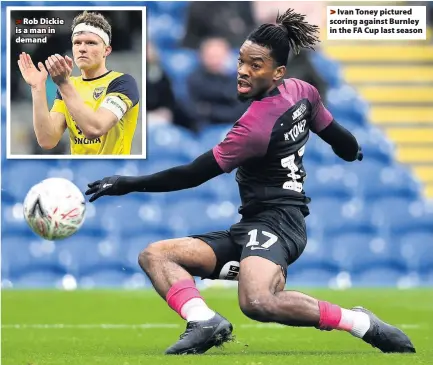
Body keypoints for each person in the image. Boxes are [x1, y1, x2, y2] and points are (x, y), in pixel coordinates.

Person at [85, 9, 416, 355]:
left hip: (280, 222)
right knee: (156, 256)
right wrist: (353, 150)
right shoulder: (302, 90)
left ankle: (360, 322)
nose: (242, 70)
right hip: (253, 225)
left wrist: (128, 183)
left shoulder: (255, 128)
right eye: (241, 60)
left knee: (257, 301)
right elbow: (336, 135)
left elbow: (194, 174)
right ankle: (203, 320)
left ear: (277, 72)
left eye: (255, 65)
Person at [17, 11, 140, 155]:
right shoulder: (70, 85)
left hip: (114, 171)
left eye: (90, 43)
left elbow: (95, 129)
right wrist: (37, 87)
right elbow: (47, 140)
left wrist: (64, 84)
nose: (82, 48)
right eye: (77, 43)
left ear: (106, 50)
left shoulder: (122, 83)